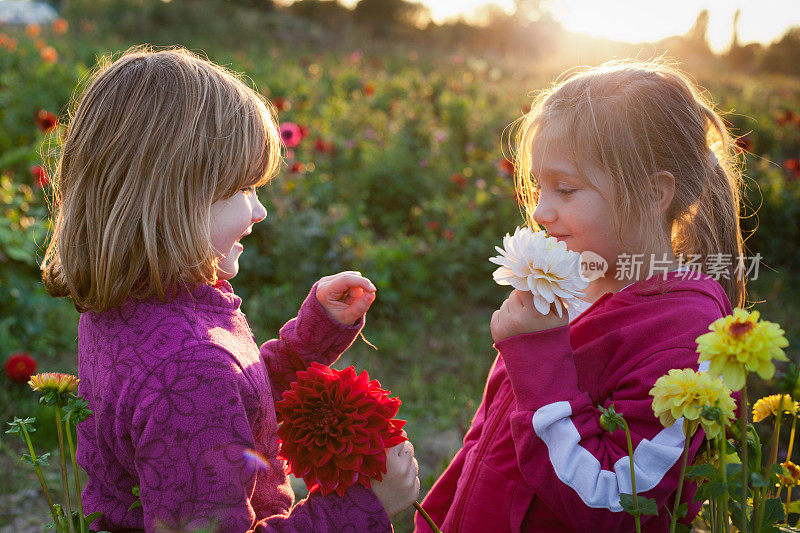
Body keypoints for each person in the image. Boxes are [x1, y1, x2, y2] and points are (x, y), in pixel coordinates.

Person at [41, 46, 419, 533]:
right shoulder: (187, 361)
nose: (259, 212)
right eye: (243, 190)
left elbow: (236, 405)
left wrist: (311, 338)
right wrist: (360, 509)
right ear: (173, 198)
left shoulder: (133, 308)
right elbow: (203, 395)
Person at [415, 58, 747, 532]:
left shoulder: (685, 337)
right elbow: (487, 442)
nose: (542, 211)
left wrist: (538, 357)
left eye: (566, 189)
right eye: (538, 186)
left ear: (654, 193)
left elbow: (614, 502)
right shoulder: (570, 285)